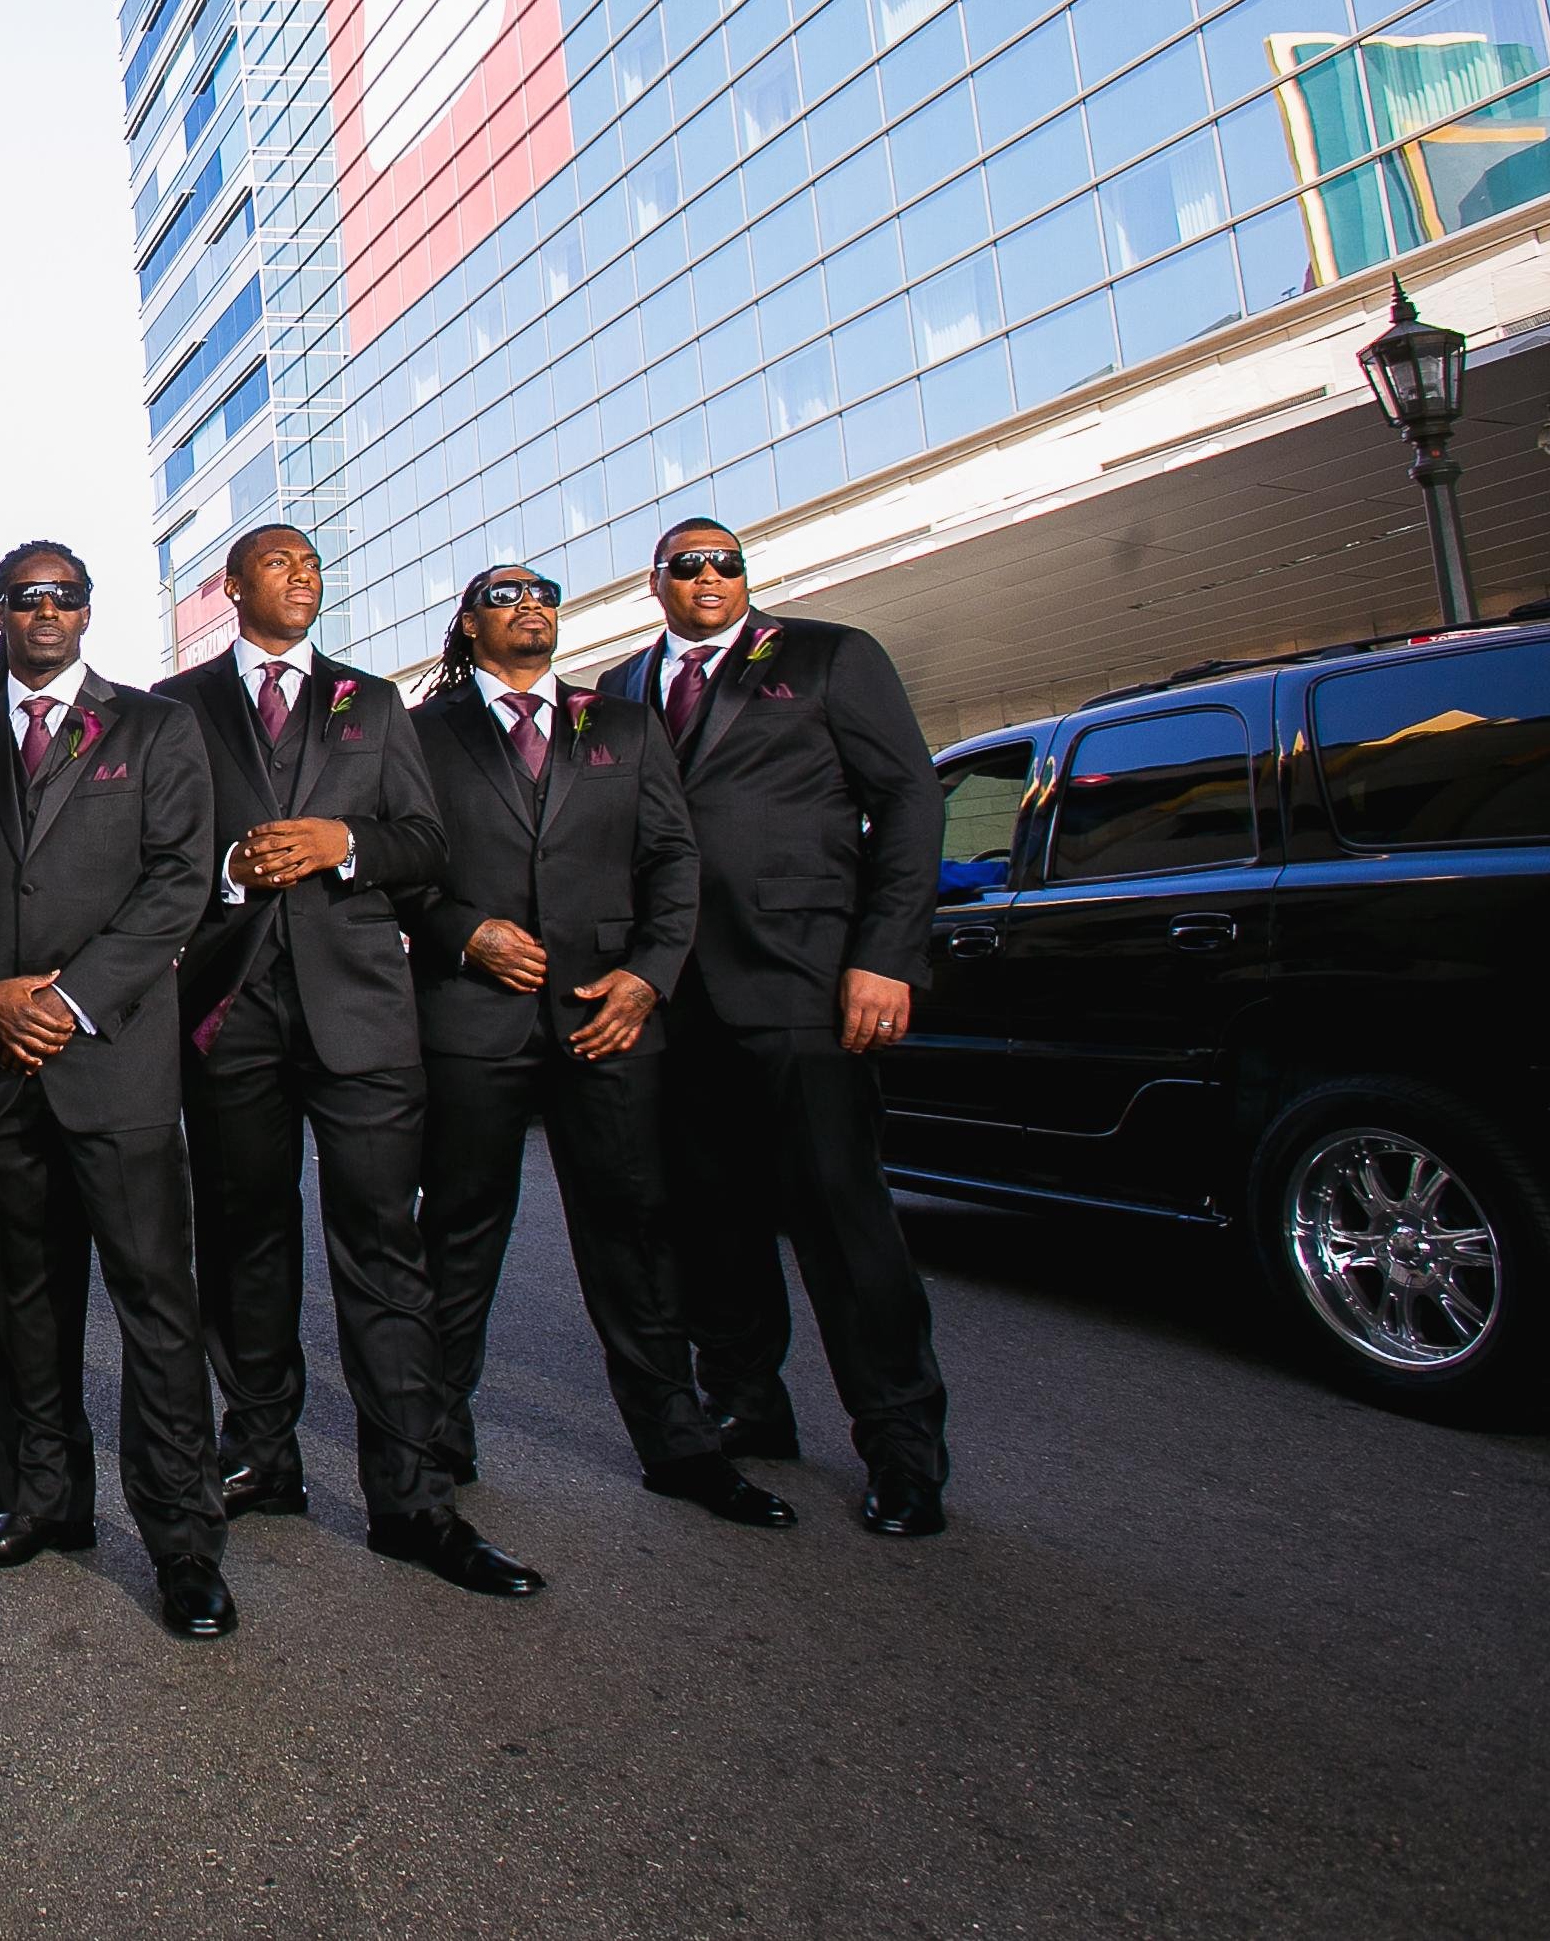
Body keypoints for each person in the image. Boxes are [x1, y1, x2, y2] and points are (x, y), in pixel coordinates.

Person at [156, 525, 537, 1596]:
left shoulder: (372, 703)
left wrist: (346, 843)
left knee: (383, 1246)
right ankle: (261, 1450)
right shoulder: (177, 707)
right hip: (228, 1014)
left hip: (363, 1017)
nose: (303, 577)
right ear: (232, 587)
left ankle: (413, 1496)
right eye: (280, 563)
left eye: (314, 565)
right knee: (244, 1245)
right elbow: (155, 855)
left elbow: (428, 846)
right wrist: (228, 871)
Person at [403, 567, 791, 1535]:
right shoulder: (422, 730)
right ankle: (436, 1437)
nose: (529, 605)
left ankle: (679, 1441)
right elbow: (404, 860)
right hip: (472, 1013)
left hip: (607, 1016)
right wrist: (463, 931)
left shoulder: (619, 721)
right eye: (504, 594)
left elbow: (672, 855)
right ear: (470, 621)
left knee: (635, 1231)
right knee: (458, 1231)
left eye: (543, 592)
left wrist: (650, 974)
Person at [594, 518, 954, 1536]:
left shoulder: (830, 656)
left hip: (803, 983)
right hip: (672, 997)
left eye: (728, 562)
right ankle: (747, 1400)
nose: (711, 576)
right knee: (709, 1222)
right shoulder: (618, 689)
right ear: (654, 580)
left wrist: (885, 955)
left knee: (845, 1225)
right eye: (689, 564)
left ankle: (901, 1443)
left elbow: (911, 800)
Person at [0, 542, 231, 1639]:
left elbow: (179, 879)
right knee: (22, 1308)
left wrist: (75, 997)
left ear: (88, 611)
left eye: (64, 595)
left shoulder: (155, 729)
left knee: (157, 1309)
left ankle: (185, 1540)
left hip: (116, 1067)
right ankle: (44, 1499)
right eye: (24, 595)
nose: (45, 611)